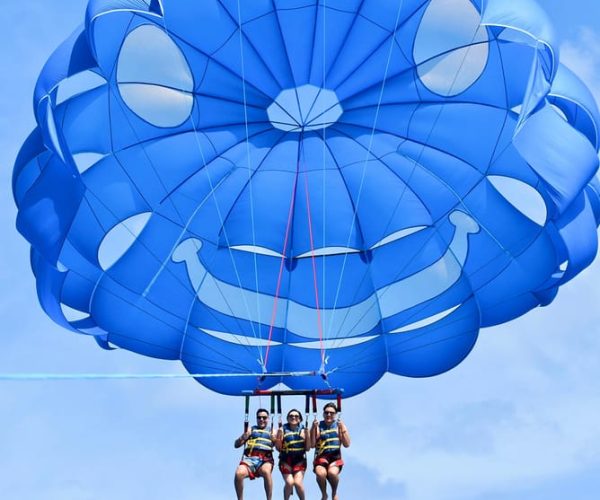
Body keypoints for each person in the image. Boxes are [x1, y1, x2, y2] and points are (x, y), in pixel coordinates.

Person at [234, 408, 276, 500]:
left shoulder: (272, 430)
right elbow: (236, 445)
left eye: (264, 418)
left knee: (266, 471)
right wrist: (243, 437)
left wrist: (275, 439)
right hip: (250, 459)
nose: (261, 420)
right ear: (256, 419)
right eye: (259, 417)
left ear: (268, 419)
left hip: (265, 459)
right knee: (238, 473)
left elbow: (279, 447)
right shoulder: (251, 429)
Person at [311, 403, 350, 500]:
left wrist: (343, 428)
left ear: (335, 414)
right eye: (326, 412)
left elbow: (347, 444)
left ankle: (334, 492)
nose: (329, 415)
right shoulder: (318, 426)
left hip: (335, 457)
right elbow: (312, 444)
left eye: (331, 413)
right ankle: (324, 494)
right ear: (323, 414)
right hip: (321, 457)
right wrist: (312, 429)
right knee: (320, 473)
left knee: (332, 473)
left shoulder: (339, 426)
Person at [275, 409, 311, 500]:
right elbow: (278, 448)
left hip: (299, 461)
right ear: (287, 418)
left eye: (296, 416)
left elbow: (307, 448)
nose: (293, 417)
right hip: (285, 461)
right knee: (290, 482)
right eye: (291, 416)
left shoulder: (304, 430)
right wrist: (279, 436)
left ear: (300, 419)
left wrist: (308, 436)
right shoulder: (282, 429)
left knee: (297, 483)